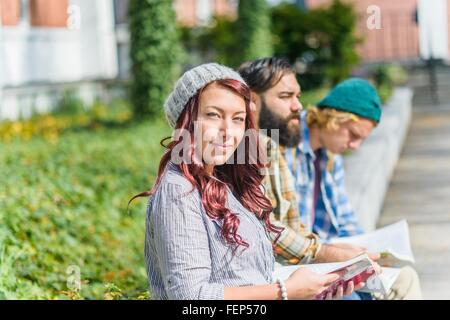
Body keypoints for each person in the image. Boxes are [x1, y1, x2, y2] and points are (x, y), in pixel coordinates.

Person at [131, 63, 362, 300]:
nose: (227, 131)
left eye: (238, 119)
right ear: (186, 121)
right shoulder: (178, 190)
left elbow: (248, 279)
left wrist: (311, 290)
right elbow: (191, 298)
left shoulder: (226, 182)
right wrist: (285, 291)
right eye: (213, 115)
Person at [239, 58, 422, 300]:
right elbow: (268, 229)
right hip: (284, 270)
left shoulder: (319, 156)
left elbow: (333, 221)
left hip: (306, 258)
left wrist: (364, 254)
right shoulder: (265, 147)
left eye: (298, 96)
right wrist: (325, 253)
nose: (298, 106)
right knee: (354, 296)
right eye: (286, 96)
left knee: (403, 278)